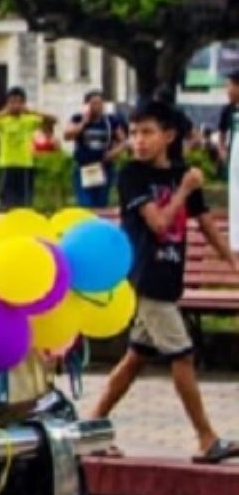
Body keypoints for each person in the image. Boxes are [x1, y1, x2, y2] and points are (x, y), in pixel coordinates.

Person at [90, 102, 239, 464]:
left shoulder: (182, 173)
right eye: (134, 134)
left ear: (168, 136)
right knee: (182, 356)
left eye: (147, 133)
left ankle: (91, 429)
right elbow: (159, 224)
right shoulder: (132, 177)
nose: (138, 142)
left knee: (134, 360)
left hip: (168, 278)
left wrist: (231, 260)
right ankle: (206, 438)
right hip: (146, 279)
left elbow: (202, 221)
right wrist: (184, 191)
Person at [0, 88, 53, 209]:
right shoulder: (2, 120)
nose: (15, 105)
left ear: (23, 104)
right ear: (7, 103)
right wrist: (4, 112)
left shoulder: (29, 120)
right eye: (12, 102)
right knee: (5, 202)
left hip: (25, 165)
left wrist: (32, 111)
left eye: (19, 102)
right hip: (6, 164)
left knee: (25, 202)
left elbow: (52, 120)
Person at [65, 90, 128, 208]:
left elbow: (124, 142)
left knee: (101, 203)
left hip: (103, 167)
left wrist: (113, 153)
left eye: (99, 103)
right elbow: (67, 135)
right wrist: (84, 122)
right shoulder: (78, 118)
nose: (97, 107)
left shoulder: (110, 121)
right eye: (93, 103)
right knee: (86, 204)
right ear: (87, 105)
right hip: (84, 167)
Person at [216, 70, 239, 205]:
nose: (227, 91)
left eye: (230, 86)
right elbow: (222, 134)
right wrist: (223, 151)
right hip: (234, 156)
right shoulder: (227, 110)